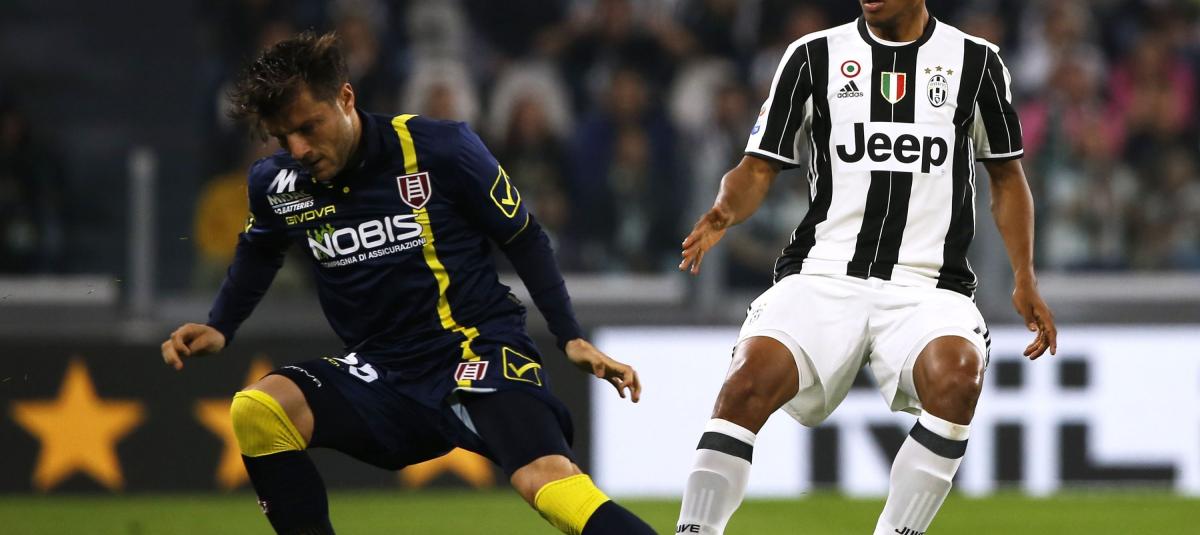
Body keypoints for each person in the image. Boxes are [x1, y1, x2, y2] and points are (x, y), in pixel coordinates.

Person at [160, 32, 655, 535]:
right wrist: (221, 325)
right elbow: (261, 248)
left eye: (309, 127)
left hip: (474, 351)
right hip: (380, 373)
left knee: (546, 480)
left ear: (346, 98)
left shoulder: (440, 148)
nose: (299, 149)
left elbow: (523, 236)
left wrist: (569, 336)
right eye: (283, 137)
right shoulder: (277, 184)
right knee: (258, 410)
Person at [673, 1, 1057, 534]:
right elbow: (758, 167)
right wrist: (724, 209)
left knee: (958, 377)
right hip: (823, 273)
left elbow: (1007, 177)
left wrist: (1024, 277)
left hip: (929, 285)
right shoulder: (812, 57)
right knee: (745, 383)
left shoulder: (977, 62)